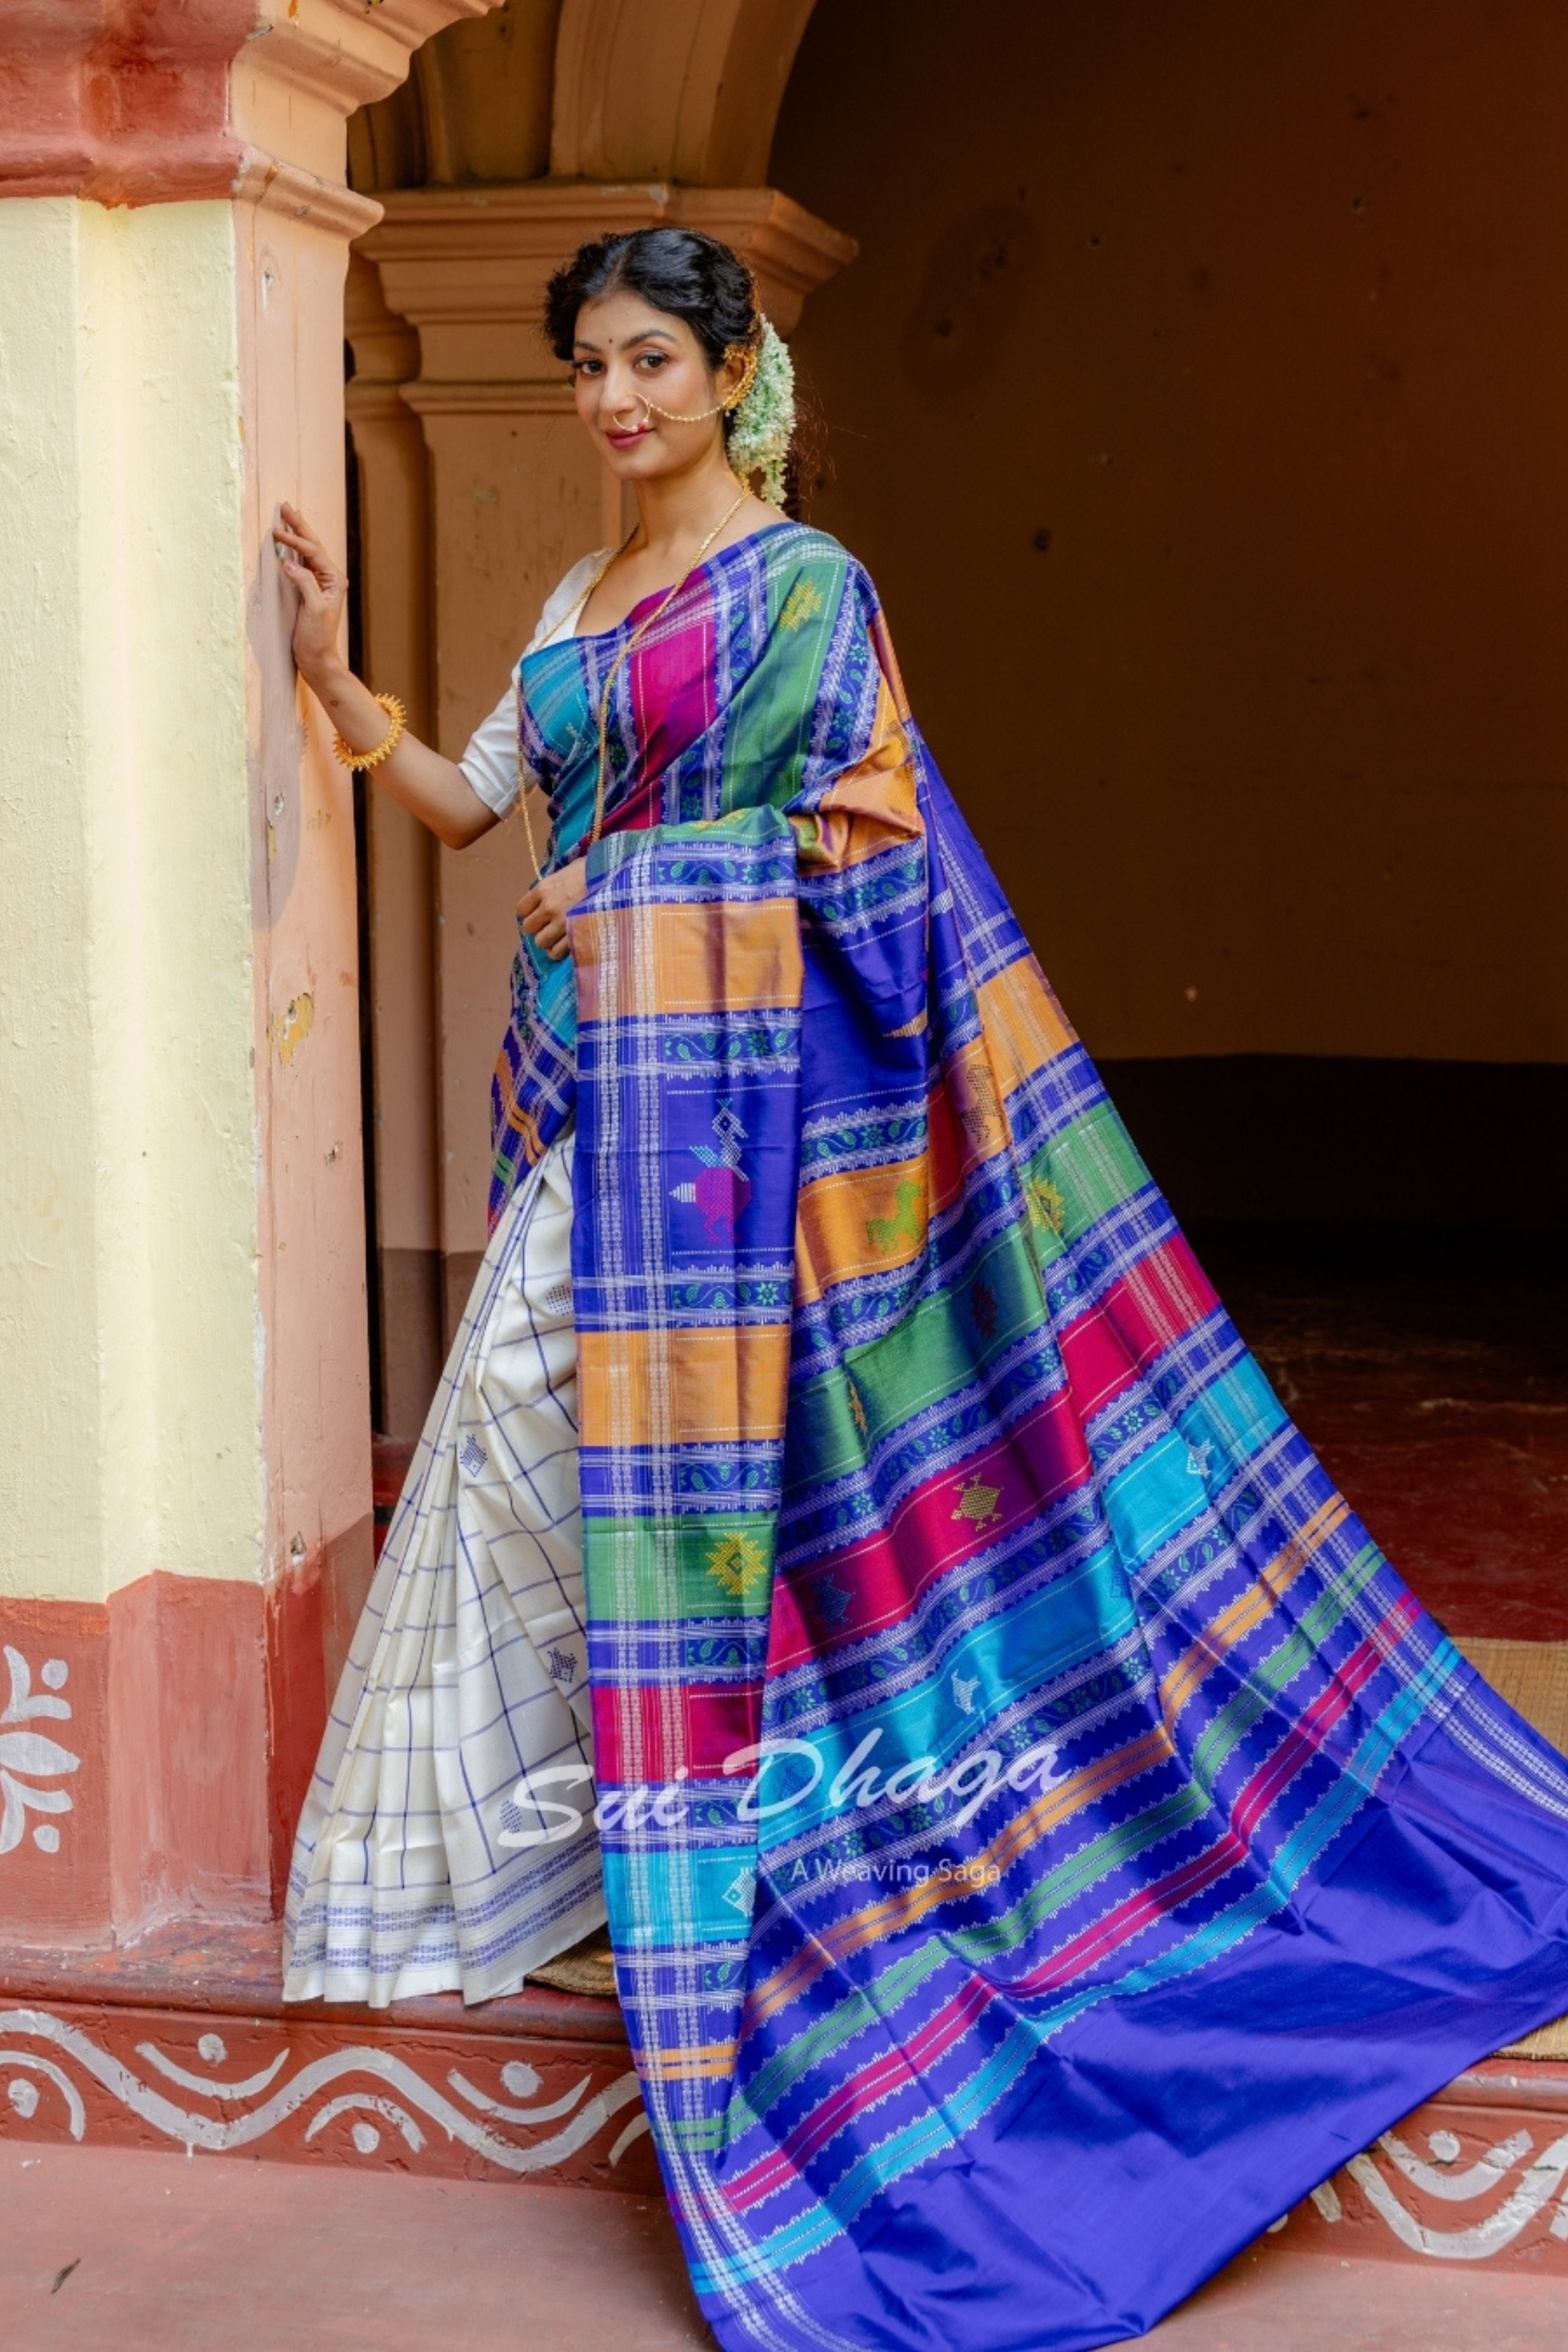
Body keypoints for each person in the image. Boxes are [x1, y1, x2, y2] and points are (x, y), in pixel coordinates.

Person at [278, 227, 1568, 2352]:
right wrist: (338, 686)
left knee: (738, 1520)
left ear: (728, 373)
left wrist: (654, 891)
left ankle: (775, 1865)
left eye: (652, 365)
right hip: (617, 1135)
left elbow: (875, 857)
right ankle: (588, 1864)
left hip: (772, 1148)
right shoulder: (576, 609)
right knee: (528, 1452)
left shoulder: (809, 595)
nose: (617, 404)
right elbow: (467, 809)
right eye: (590, 367)